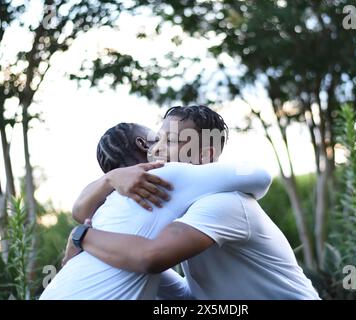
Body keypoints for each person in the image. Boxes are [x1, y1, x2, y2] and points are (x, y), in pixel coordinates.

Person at [64, 105, 320, 299]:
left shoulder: (224, 204)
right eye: (157, 140)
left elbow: (151, 258)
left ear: (205, 155)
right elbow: (193, 296)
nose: (156, 149)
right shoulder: (182, 209)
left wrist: (83, 237)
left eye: (171, 141)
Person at [40, 122, 271, 299]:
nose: (164, 143)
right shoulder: (165, 175)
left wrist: (80, 235)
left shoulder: (107, 209)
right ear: (143, 144)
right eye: (160, 137)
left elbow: (181, 294)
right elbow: (259, 176)